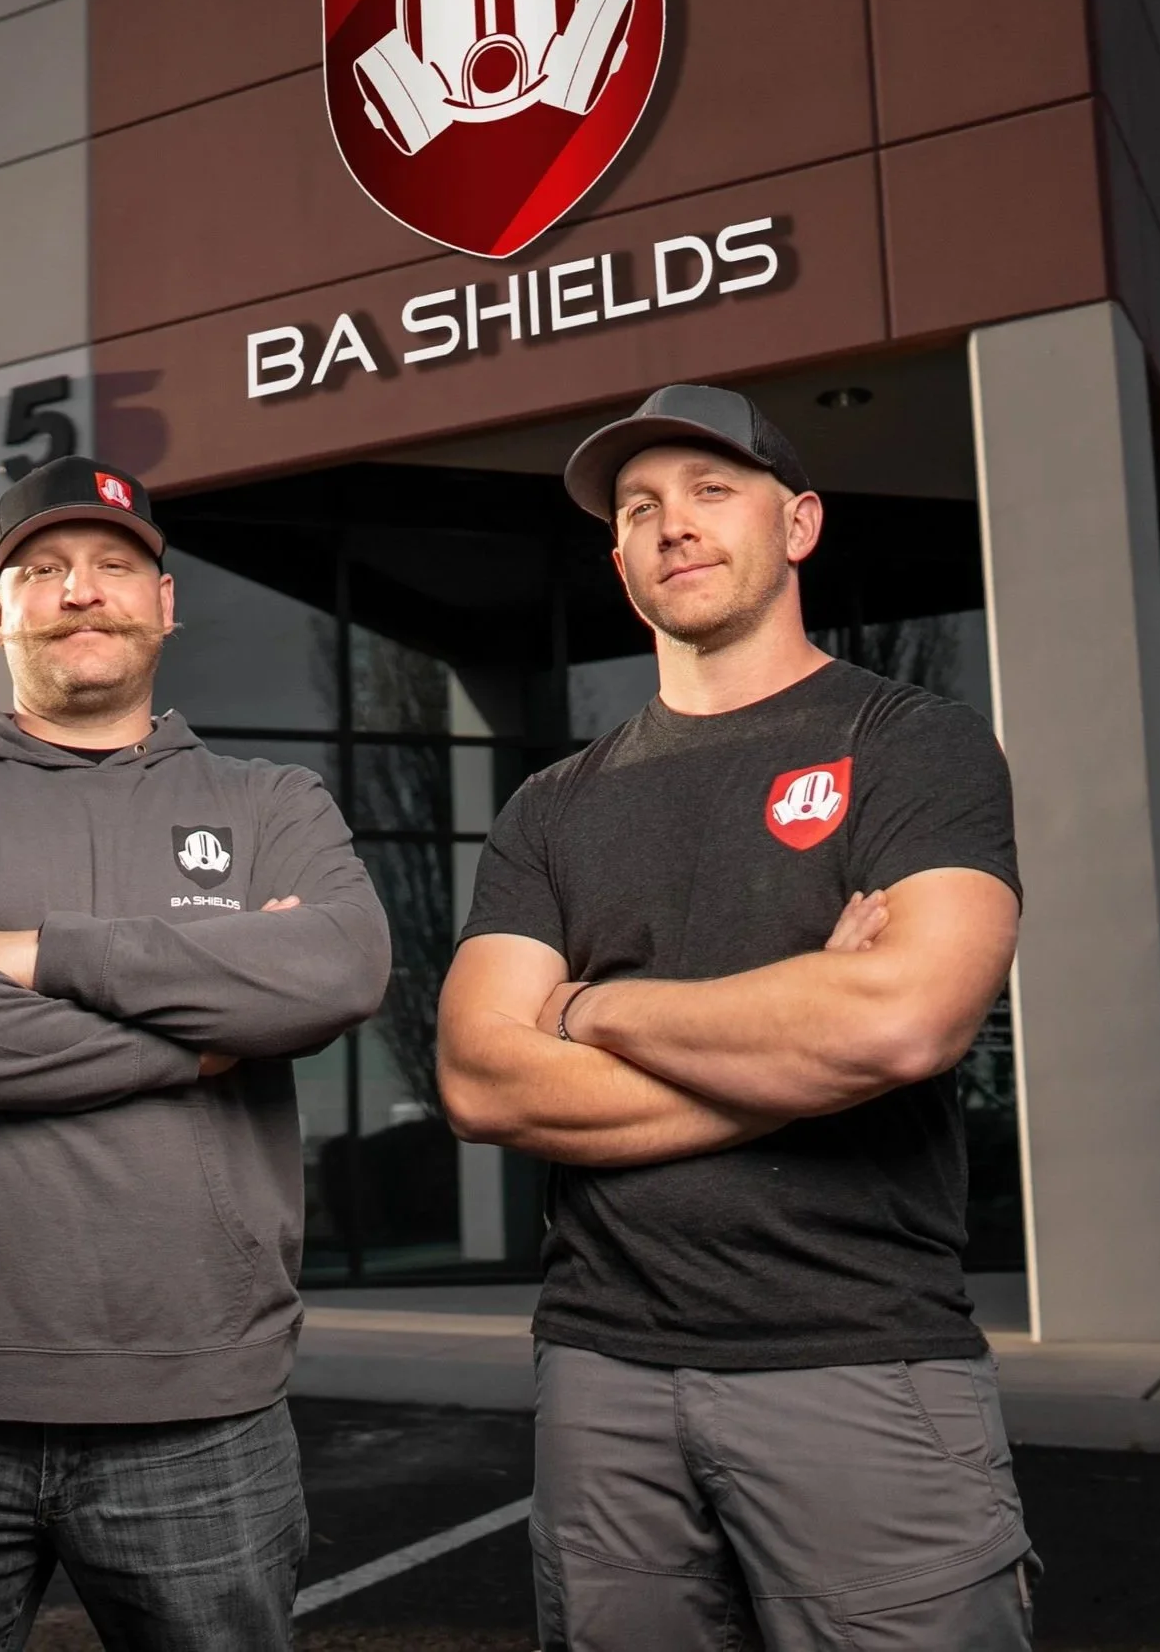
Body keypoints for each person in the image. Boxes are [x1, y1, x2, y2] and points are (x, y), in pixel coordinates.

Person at [437, 385, 1037, 1650]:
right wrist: (792, 1039)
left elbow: (899, 1023)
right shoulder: (552, 805)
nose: (672, 524)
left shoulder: (910, 742)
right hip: (599, 1374)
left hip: (859, 1361)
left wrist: (592, 1006)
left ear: (799, 523)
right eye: (640, 508)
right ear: (618, 562)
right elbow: (484, 1078)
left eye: (711, 491)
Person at [0, 455, 390, 1651]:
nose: (83, 591)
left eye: (117, 567)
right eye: (46, 570)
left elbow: (337, 970)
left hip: (201, 1398)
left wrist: (37, 952)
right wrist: (200, 1030)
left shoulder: (269, 801)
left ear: (165, 605)